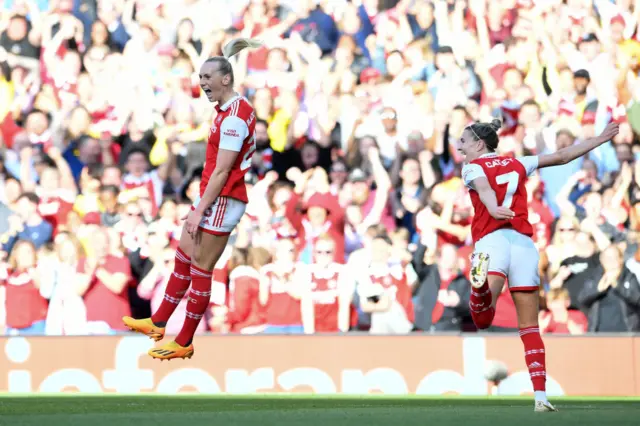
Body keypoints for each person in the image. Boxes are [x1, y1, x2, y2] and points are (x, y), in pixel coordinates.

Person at [458, 118, 619, 412]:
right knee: (530, 328)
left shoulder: (471, 167)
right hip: (523, 245)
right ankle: (541, 398)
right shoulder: (518, 163)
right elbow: (562, 156)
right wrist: (600, 138)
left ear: (479, 145)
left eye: (464, 142)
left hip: (491, 241)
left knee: (482, 319)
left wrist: (493, 208)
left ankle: (479, 288)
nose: (459, 147)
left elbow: (483, 189)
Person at [122, 37, 263, 360]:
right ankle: (158, 322)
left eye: (207, 77)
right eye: (199, 78)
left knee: (201, 268)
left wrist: (200, 209)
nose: (202, 83)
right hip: (215, 197)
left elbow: (223, 170)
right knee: (183, 256)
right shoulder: (229, 109)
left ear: (225, 79)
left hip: (224, 198)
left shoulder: (233, 118)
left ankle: (184, 340)